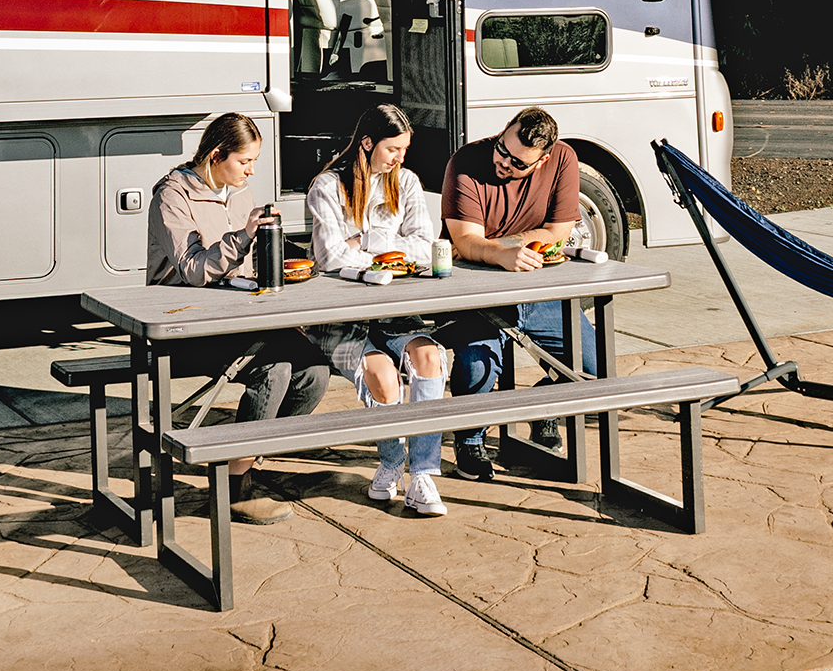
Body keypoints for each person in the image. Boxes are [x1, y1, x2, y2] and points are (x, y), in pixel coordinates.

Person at [144, 110, 336, 525]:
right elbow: (193, 271)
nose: (251, 170)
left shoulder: (239, 192)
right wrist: (244, 235)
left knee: (315, 368)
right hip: (185, 324)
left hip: (239, 317)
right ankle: (233, 487)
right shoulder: (172, 197)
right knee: (275, 370)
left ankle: (244, 456)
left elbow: (247, 269)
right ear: (216, 155)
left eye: (253, 161)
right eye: (244, 161)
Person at [305, 102, 456, 517]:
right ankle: (392, 462)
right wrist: (386, 252)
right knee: (383, 377)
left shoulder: (405, 181)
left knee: (428, 356)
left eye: (404, 150)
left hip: (394, 307)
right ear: (367, 143)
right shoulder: (328, 186)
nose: (399, 158)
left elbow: (426, 246)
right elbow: (330, 257)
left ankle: (422, 474)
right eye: (392, 149)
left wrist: (365, 243)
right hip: (341, 316)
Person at [438, 107, 593, 481]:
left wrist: (499, 247)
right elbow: (464, 241)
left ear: (542, 162)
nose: (504, 163)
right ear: (504, 130)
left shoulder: (564, 159)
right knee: (478, 365)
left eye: (518, 163)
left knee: (596, 365)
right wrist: (502, 253)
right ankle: (470, 437)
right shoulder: (465, 162)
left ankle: (543, 408)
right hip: (475, 291)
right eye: (502, 150)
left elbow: (558, 232)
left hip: (538, 287)